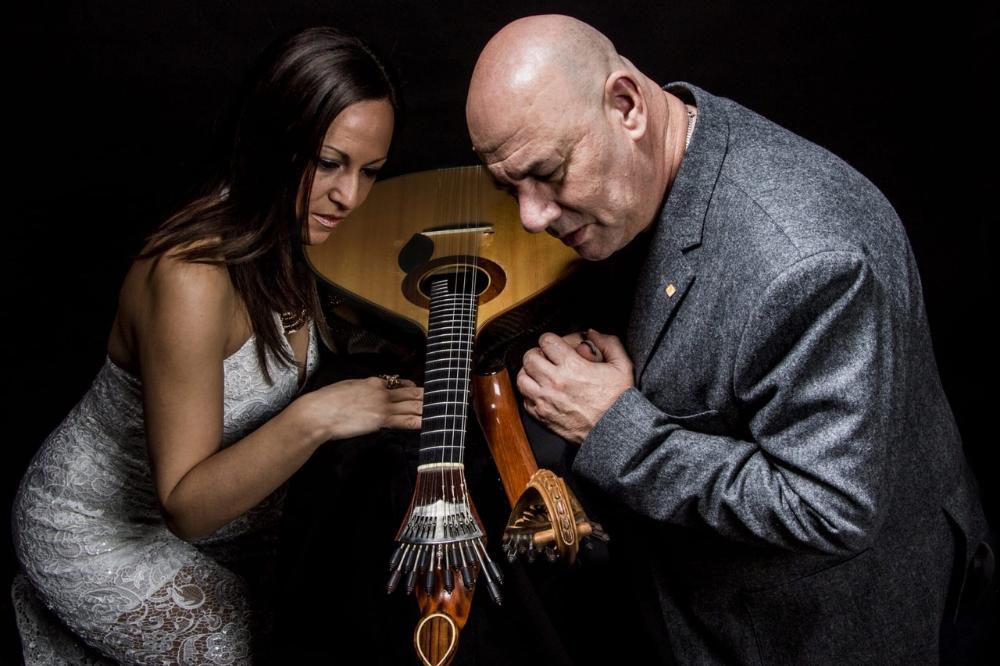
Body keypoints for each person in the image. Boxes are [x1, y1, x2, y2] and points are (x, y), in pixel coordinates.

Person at [465, 14, 991, 664]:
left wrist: (614, 425)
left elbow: (829, 507)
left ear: (627, 106)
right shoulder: (675, 143)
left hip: (824, 626)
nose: (531, 216)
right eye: (509, 187)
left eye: (549, 172)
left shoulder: (807, 265)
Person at [11, 26, 423, 665]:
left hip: (241, 527)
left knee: (353, 613)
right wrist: (317, 416)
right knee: (257, 651)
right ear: (274, 141)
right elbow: (186, 505)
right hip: (101, 528)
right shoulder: (191, 279)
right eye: (328, 162)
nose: (350, 196)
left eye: (370, 171)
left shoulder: (304, 231)